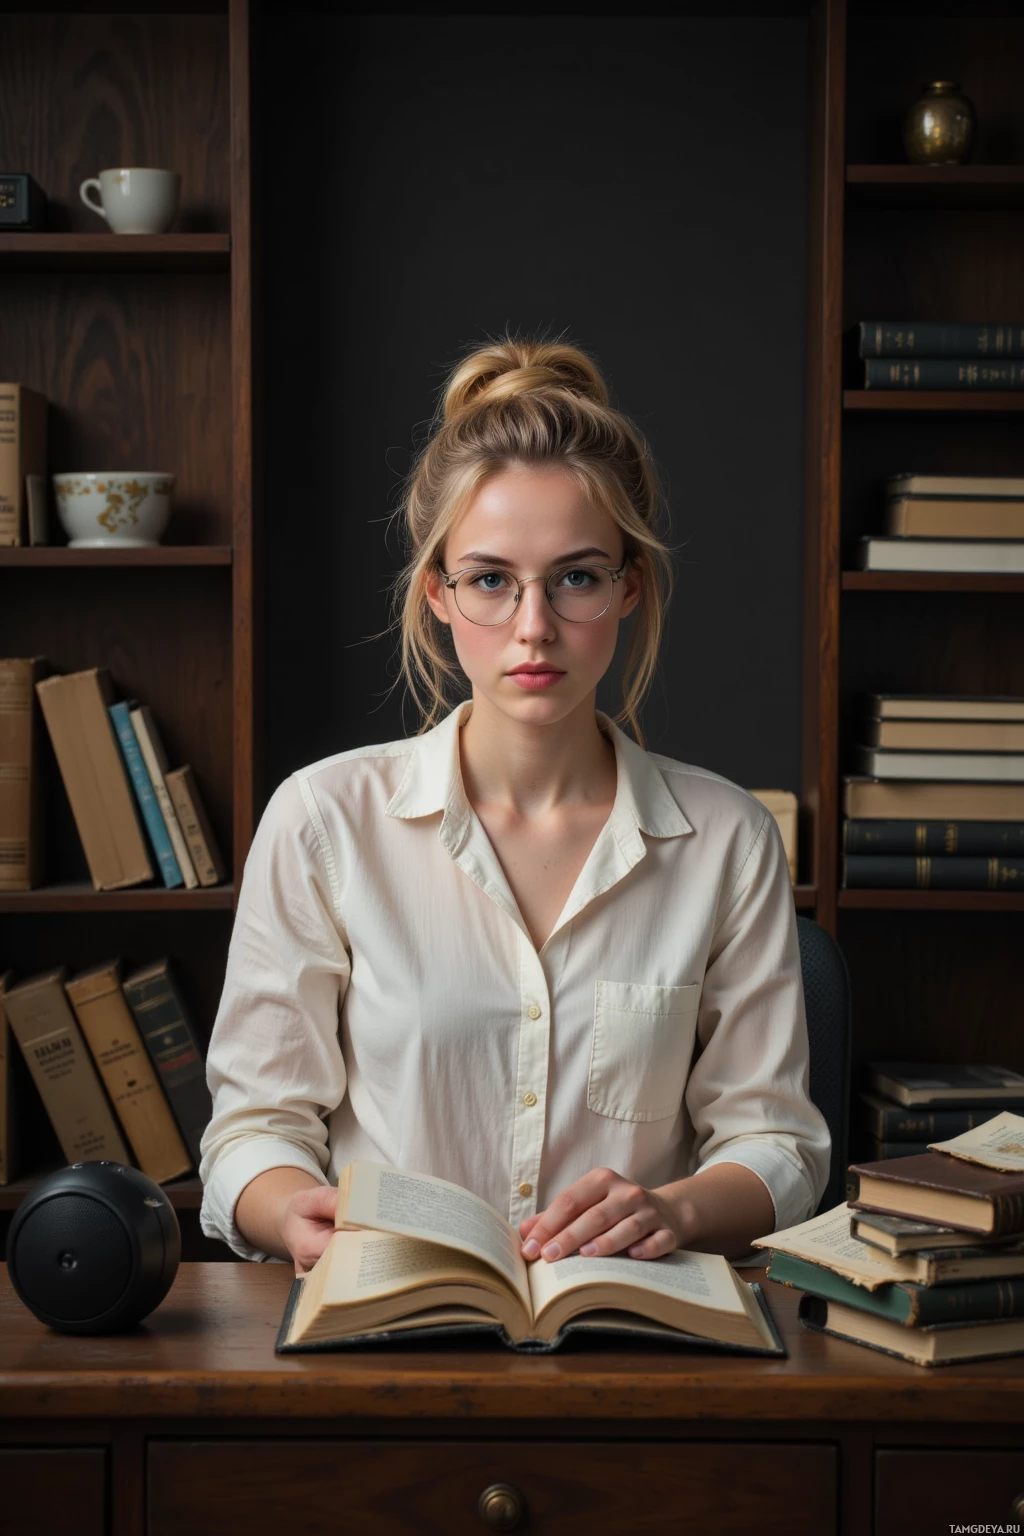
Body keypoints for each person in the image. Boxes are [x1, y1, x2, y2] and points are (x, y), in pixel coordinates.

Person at [198, 333, 831, 1278]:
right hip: (384, 1325)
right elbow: (251, 1130)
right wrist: (294, 1213)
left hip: (629, 1337)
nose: (534, 626)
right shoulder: (323, 820)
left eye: (576, 577)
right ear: (438, 597)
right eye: (491, 580)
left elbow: (778, 1144)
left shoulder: (728, 839)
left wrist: (674, 1210)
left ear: (629, 590)